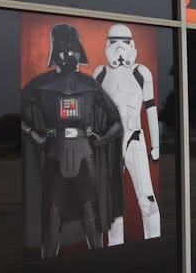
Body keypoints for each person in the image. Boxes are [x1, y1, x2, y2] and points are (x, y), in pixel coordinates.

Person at [21, 23, 124, 257]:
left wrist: (101, 139)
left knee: (88, 213)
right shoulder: (40, 86)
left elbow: (116, 121)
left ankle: (96, 264)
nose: (68, 54)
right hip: (58, 151)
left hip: (80, 150)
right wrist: (35, 135)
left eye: (71, 49)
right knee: (53, 215)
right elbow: (20, 116)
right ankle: (49, 269)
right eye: (64, 48)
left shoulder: (88, 85)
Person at [94, 24, 161, 244]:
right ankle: (114, 248)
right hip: (110, 141)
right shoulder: (101, 73)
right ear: (108, 43)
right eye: (114, 41)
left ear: (132, 43)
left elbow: (150, 107)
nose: (120, 47)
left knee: (147, 198)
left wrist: (155, 145)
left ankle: (155, 242)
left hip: (134, 138)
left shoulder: (141, 72)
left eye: (124, 41)